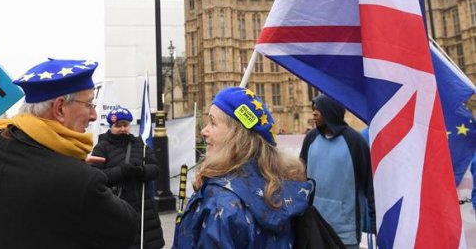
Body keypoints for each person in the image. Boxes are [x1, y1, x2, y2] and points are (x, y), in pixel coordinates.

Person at [0, 58, 138, 248]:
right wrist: (75, 168)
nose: (94, 116)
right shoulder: (80, 179)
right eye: (89, 104)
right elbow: (128, 227)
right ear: (59, 108)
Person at [173, 87, 312, 248]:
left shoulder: (220, 204)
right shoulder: (285, 188)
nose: (204, 131)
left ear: (236, 134)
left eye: (212, 122)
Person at [300, 94, 376, 249]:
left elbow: (370, 185)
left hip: (345, 230)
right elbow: (300, 177)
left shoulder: (355, 142)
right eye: (313, 109)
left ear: (330, 111)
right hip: (315, 226)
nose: (313, 113)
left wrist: (375, 222)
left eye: (318, 109)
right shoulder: (310, 138)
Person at [90, 106, 165, 249]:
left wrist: (141, 171)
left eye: (125, 125)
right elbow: (96, 177)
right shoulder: (102, 147)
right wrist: (121, 171)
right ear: (111, 126)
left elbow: (155, 169)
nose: (123, 129)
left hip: (145, 211)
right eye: (118, 126)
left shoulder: (139, 144)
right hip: (118, 210)